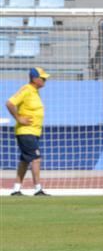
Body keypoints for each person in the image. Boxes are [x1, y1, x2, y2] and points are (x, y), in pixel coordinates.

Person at [6, 67, 50, 196]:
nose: (45, 81)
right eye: (43, 78)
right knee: (36, 158)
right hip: (26, 131)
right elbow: (9, 103)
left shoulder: (35, 92)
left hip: (34, 132)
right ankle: (38, 189)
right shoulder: (26, 89)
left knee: (24, 160)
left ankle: (16, 189)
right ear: (35, 79)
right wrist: (18, 118)